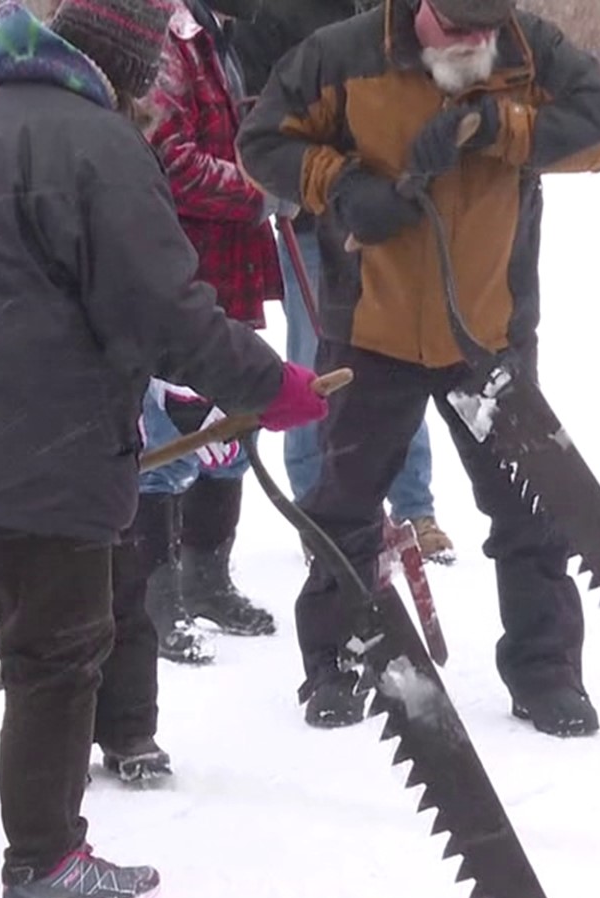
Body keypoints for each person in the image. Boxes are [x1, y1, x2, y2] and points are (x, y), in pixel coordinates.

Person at [0, 0, 325, 898]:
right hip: (33, 448)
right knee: (57, 652)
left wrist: (167, 391)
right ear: (131, 74)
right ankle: (45, 861)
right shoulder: (103, 148)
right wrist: (269, 385)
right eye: (154, 81)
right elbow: (165, 307)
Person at [238, 0, 600, 734]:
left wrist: (499, 127)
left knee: (527, 509)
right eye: (457, 28)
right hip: (370, 331)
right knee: (343, 510)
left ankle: (545, 672)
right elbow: (261, 140)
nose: (475, 42)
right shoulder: (342, 53)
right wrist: (343, 186)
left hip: (490, 329)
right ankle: (336, 662)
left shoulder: (527, 48)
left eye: (487, 28)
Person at [221, 0, 457, 564]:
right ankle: (316, 508)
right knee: (316, 361)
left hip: (391, 220)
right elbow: (254, 114)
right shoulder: (278, 17)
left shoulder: (398, 16)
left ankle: (413, 505)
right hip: (313, 220)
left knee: (401, 357)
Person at [138, 0, 287, 648]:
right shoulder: (165, 36)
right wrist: (259, 190)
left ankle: (208, 579)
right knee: (168, 440)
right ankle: (155, 597)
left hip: (225, 268)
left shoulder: (216, 34)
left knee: (233, 425)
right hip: (174, 273)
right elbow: (167, 160)